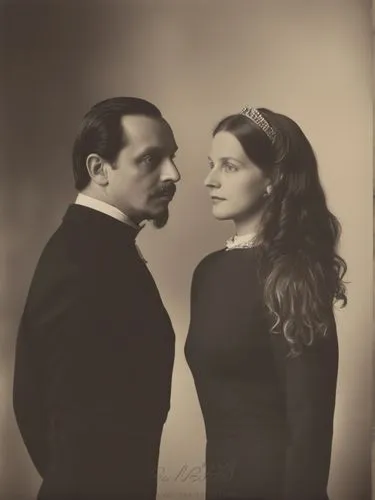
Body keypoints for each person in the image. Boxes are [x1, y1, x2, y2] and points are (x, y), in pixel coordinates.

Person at [13, 96, 180, 500]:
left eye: (172, 157)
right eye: (150, 159)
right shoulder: (81, 259)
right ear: (99, 169)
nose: (173, 173)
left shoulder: (99, 246)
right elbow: (33, 403)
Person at [184, 106, 347, 500]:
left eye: (230, 166)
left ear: (272, 178)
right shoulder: (207, 272)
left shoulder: (292, 276)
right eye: (211, 165)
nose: (210, 180)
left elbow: (310, 424)